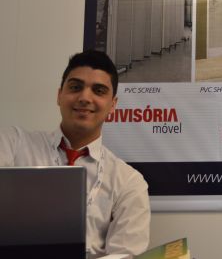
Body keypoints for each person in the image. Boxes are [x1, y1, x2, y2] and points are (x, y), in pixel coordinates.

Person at [0, 50, 150, 257]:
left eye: (98, 91)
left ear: (112, 105)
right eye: (75, 87)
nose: (85, 98)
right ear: (59, 95)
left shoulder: (128, 183)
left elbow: (125, 254)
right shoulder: (13, 144)